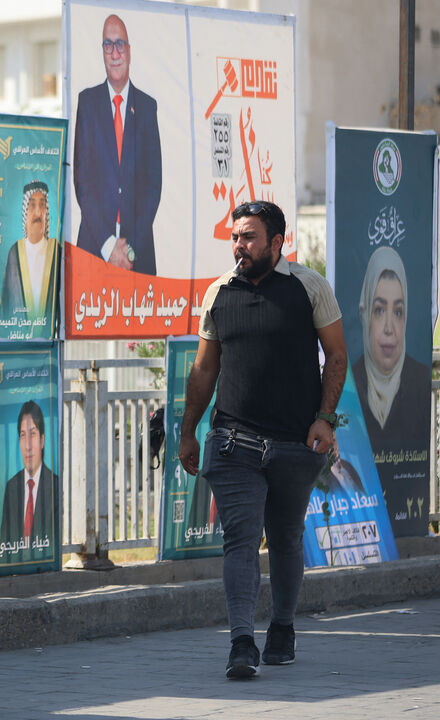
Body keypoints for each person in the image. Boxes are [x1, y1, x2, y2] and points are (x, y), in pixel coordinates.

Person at [177, 201, 345, 679]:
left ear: (276, 242)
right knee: (241, 539)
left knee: (286, 538)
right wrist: (188, 431)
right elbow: (204, 369)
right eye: (235, 237)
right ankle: (241, 643)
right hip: (234, 442)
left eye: (249, 237)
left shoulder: (309, 287)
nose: (239, 246)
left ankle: (283, 627)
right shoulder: (219, 293)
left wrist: (325, 419)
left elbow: (336, 355)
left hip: (296, 444)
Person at [72, 14, 162, 275]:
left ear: (129, 51)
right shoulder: (87, 103)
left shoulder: (147, 107)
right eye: (108, 45)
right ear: (102, 52)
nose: (114, 53)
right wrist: (109, 246)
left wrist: (129, 250)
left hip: (139, 253)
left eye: (119, 44)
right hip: (94, 247)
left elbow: (153, 186)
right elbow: (83, 182)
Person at [350, 246, 430, 500]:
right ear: (364, 314)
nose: (388, 328)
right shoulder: (348, 386)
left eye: (397, 312)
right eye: (379, 310)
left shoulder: (419, 380)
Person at [0, 401, 58, 554]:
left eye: (33, 434)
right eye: (23, 435)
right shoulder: (11, 486)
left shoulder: (55, 485)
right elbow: (3, 545)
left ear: (42, 440)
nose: (28, 446)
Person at [0, 181, 60, 324]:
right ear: (25, 213)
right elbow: (6, 307)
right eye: (32, 205)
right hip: (17, 333)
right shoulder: (14, 252)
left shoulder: (56, 251)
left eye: (42, 205)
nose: (38, 213)